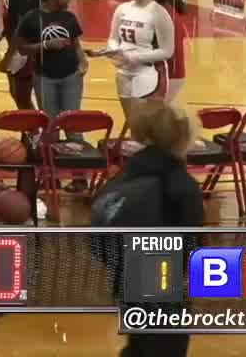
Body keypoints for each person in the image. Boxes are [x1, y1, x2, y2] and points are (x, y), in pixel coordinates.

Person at [91, 102, 204, 357]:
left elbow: (100, 225)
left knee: (141, 344)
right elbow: (193, 245)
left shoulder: (126, 174)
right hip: (162, 283)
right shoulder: (181, 184)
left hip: (127, 279)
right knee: (164, 347)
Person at [90, 0, 175, 114]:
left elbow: (167, 51)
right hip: (123, 71)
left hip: (147, 71)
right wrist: (114, 51)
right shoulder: (122, 9)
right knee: (130, 120)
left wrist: (133, 57)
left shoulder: (158, 12)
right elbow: (113, 38)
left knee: (144, 121)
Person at [21, 0, 87, 137]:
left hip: (71, 76)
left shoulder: (69, 17)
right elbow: (22, 49)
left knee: (73, 122)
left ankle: (77, 157)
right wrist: (46, 45)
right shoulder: (32, 18)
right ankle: (51, 158)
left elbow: (76, 44)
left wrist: (83, 62)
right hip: (44, 78)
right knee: (50, 124)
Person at [0, 0, 42, 110]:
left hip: (23, 50)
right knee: (16, 93)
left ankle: (33, 131)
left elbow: (23, 27)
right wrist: (3, 32)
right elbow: (12, 16)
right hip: (17, 46)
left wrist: (8, 56)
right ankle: (30, 131)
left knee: (21, 95)